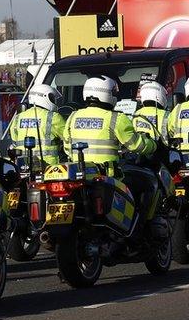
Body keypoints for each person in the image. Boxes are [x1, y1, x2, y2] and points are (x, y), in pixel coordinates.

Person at [64, 76, 159, 225]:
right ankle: (137, 228)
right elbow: (135, 145)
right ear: (107, 94)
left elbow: (67, 147)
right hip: (109, 176)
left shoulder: (73, 116)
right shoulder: (116, 118)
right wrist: (153, 145)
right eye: (113, 93)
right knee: (147, 184)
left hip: (79, 176)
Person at [7, 84, 66, 165]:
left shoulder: (18, 118)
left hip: (23, 165)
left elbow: (15, 142)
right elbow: (68, 138)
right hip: (49, 167)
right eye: (52, 98)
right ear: (44, 97)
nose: (54, 101)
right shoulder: (53, 117)